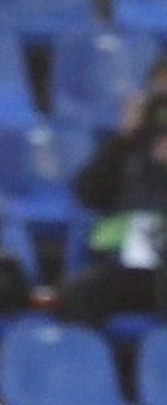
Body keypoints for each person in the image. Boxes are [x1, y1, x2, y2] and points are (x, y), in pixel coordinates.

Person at [62, 47, 167, 321]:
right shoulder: (125, 149)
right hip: (127, 266)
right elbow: (87, 194)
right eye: (160, 99)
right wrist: (122, 139)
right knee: (78, 294)